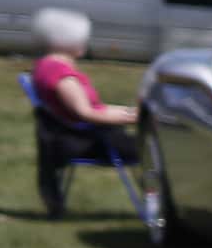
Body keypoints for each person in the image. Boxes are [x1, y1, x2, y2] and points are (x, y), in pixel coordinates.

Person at [29, 9, 136, 147]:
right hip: (87, 140)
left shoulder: (45, 66)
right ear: (64, 40)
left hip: (72, 135)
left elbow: (97, 108)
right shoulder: (61, 75)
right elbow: (87, 113)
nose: (85, 42)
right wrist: (134, 118)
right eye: (81, 38)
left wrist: (132, 112)